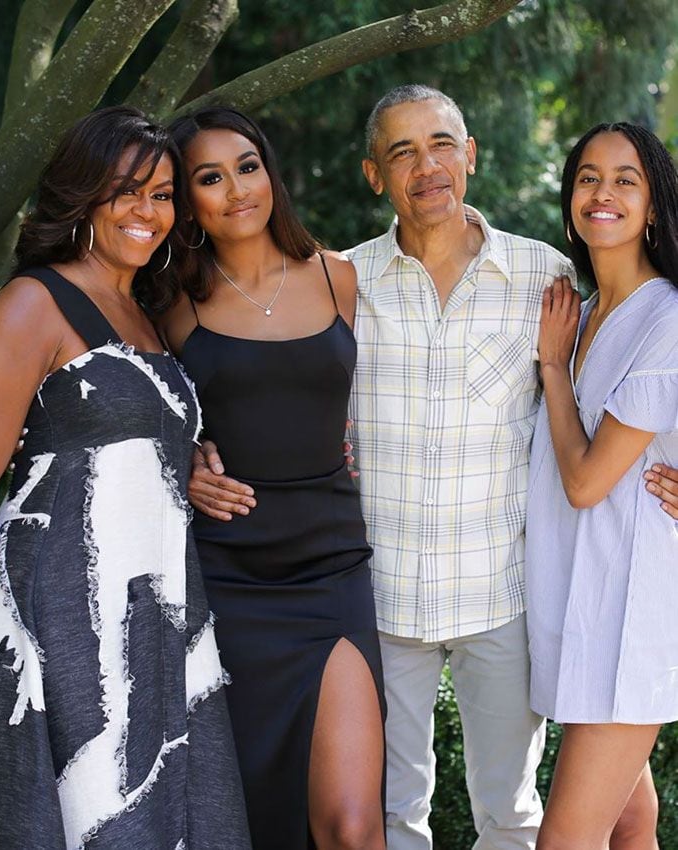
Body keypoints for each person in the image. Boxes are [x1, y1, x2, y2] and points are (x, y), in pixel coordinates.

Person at [189, 86, 678, 850]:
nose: (428, 166)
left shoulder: (545, 278)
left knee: (511, 817)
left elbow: (632, 382)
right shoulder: (340, 283)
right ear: (372, 174)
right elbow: (270, 392)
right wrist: (191, 452)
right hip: (380, 599)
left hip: (505, 598)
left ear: (471, 155)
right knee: (390, 818)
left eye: (443, 144)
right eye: (402, 152)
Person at [0, 106, 251, 850]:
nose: (147, 211)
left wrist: (185, 467)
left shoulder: (148, 315)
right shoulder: (33, 303)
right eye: (125, 190)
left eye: (162, 194)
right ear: (81, 195)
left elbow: (123, 442)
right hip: (56, 614)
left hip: (153, 613)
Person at [159, 106, 386, 850]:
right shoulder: (170, 304)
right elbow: (135, 414)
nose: (236, 189)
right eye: (209, 178)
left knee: (353, 826)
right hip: (228, 576)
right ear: (188, 199)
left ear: (270, 172)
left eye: (247, 166)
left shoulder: (339, 275)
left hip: (332, 569)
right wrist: (183, 461)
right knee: (253, 820)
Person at [526, 122, 678, 850]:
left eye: (626, 179)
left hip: (632, 614)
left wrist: (553, 371)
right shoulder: (580, 314)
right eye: (588, 176)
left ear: (653, 206)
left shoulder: (666, 316)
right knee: (629, 819)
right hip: (582, 600)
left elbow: (586, 482)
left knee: (565, 841)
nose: (603, 192)